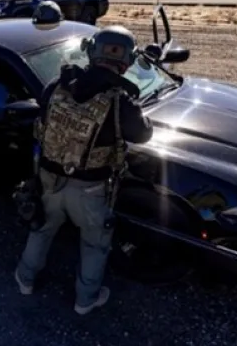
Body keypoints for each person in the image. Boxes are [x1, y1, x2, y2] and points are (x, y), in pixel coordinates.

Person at [14, 25, 153, 314]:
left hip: (49, 179)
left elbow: (42, 110)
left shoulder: (59, 84)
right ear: (126, 61)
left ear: (90, 53)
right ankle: (85, 299)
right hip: (91, 190)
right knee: (94, 245)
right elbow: (142, 134)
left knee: (41, 230)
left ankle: (25, 280)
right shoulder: (120, 100)